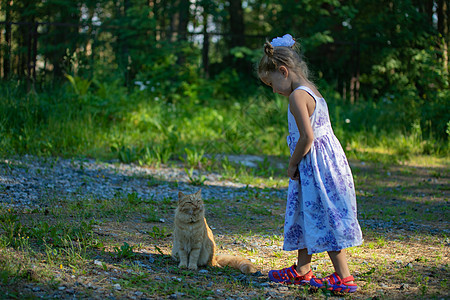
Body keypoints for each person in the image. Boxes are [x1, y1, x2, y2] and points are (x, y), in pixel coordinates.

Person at [258, 34, 363, 293]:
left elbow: (307, 137)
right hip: (325, 164)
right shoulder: (312, 90)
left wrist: (292, 164)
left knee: (323, 216)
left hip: (315, 166)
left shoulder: (296, 97)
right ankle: (302, 269)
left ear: (283, 71)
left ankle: (344, 277)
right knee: (308, 213)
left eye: (272, 83)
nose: (274, 90)